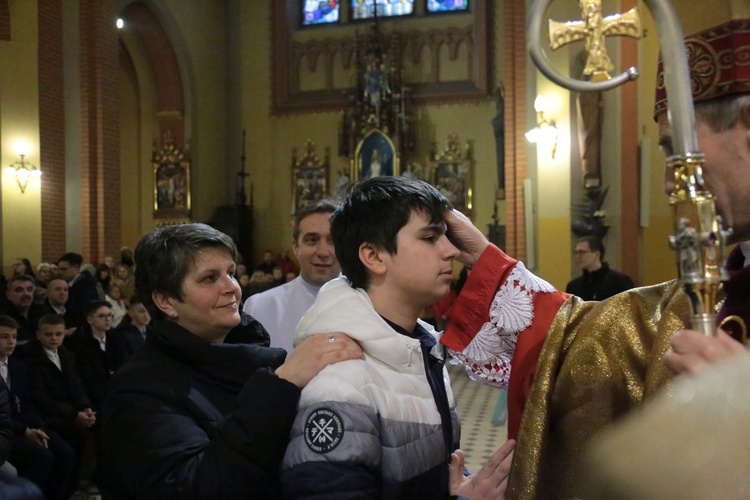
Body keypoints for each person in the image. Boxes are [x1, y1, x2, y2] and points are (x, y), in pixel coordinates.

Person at [440, 15, 750, 499]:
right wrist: (488, 264)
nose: (671, 183)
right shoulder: (705, 295)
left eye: (675, 149)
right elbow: (582, 341)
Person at [281, 177, 514, 498]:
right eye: (430, 237)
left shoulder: (418, 349)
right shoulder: (342, 380)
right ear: (374, 256)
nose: (451, 250)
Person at [96, 222, 364, 497]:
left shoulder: (249, 357)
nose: (232, 288)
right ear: (166, 301)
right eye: (209, 278)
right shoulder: (138, 389)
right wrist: (280, 385)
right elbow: (194, 486)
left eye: (231, 273)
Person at [244, 199, 341, 358]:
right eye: (312, 240)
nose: (323, 252)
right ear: (296, 247)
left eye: (333, 241)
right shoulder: (260, 306)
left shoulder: (371, 304)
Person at [0, 315, 76, 499]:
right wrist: (25, 430)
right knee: (41, 456)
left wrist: (37, 427)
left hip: (24, 426)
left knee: (66, 453)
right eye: (4, 337)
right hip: (5, 432)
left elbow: (27, 403)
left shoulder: (17, 366)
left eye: (14, 337)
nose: (11, 342)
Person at [565, 235, 634, 300]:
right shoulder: (573, 286)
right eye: (576, 253)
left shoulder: (620, 282)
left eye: (582, 252)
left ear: (597, 254)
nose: (578, 256)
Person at [57, 253, 99, 329]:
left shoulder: (86, 286)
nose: (60, 272)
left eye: (64, 269)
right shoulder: (67, 284)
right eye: (59, 269)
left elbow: (86, 312)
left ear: (76, 267)